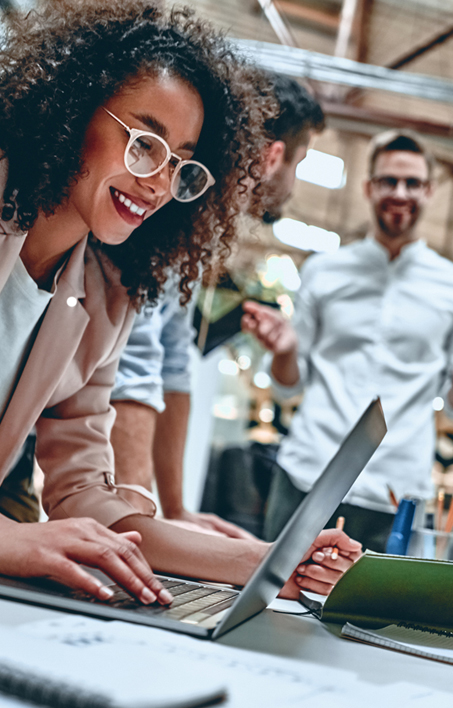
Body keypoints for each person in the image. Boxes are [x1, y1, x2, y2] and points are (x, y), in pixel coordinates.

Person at [0, 1, 359, 607]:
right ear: (71, 110)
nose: (158, 184)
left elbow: (87, 494)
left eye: (181, 165)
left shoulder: (108, 294)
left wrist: (270, 562)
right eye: (144, 143)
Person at [242, 130, 453, 551]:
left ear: (430, 191)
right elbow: (288, 383)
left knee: (373, 617)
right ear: (368, 188)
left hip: (396, 491)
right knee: (275, 604)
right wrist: (286, 351)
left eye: (413, 183)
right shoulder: (324, 271)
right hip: (309, 475)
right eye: (388, 181)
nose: (400, 193)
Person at [109, 72, 325, 539]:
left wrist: (174, 510)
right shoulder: (173, 206)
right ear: (273, 157)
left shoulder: (202, 228)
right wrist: (141, 524)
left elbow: (171, 363)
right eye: (300, 162)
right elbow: (136, 361)